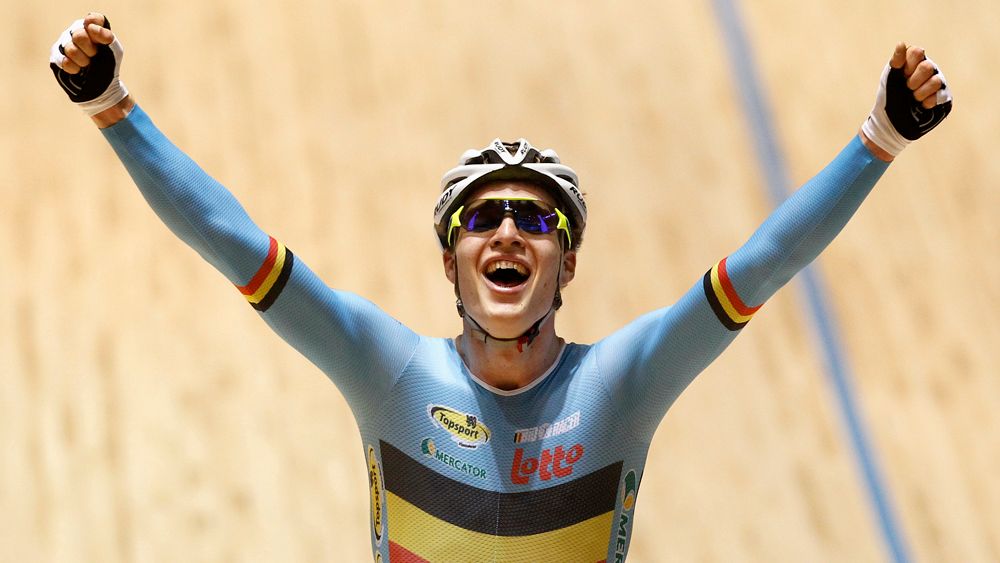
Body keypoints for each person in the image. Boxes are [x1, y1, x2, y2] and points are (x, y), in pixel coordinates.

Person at [50, 12, 952, 562]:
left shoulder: (623, 382)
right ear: (450, 263)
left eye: (536, 219)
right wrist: (111, 108)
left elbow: (766, 260)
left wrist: (880, 137)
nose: (510, 232)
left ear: (568, 263)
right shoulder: (386, 370)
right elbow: (232, 240)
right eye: (482, 219)